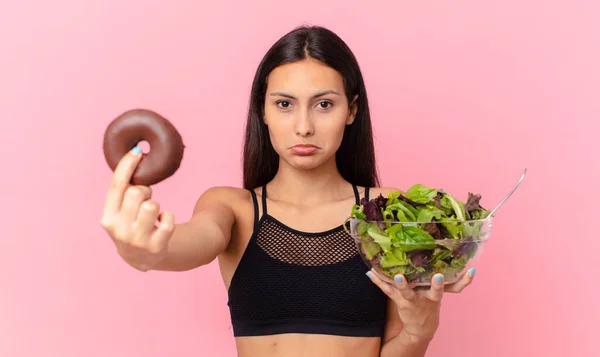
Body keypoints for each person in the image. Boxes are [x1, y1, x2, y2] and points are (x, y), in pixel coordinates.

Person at [100, 25, 476, 357]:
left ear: (351, 110)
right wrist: (144, 250)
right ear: (262, 111)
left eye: (324, 104)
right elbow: (190, 241)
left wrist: (420, 329)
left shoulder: (385, 212)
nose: (303, 127)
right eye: (284, 104)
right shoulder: (233, 208)